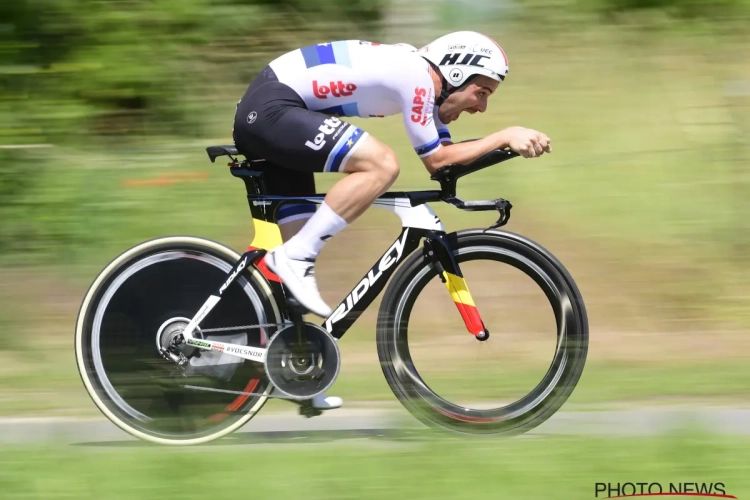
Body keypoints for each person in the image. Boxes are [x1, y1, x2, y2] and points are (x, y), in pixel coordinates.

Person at [232, 31, 552, 411]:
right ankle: (295, 257)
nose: (480, 107)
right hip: (273, 110)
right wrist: (504, 135)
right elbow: (437, 161)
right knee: (382, 164)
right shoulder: (417, 77)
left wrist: (503, 146)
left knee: (291, 269)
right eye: (481, 92)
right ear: (455, 73)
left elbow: (448, 156)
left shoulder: (425, 87)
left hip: (283, 113)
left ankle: (297, 374)